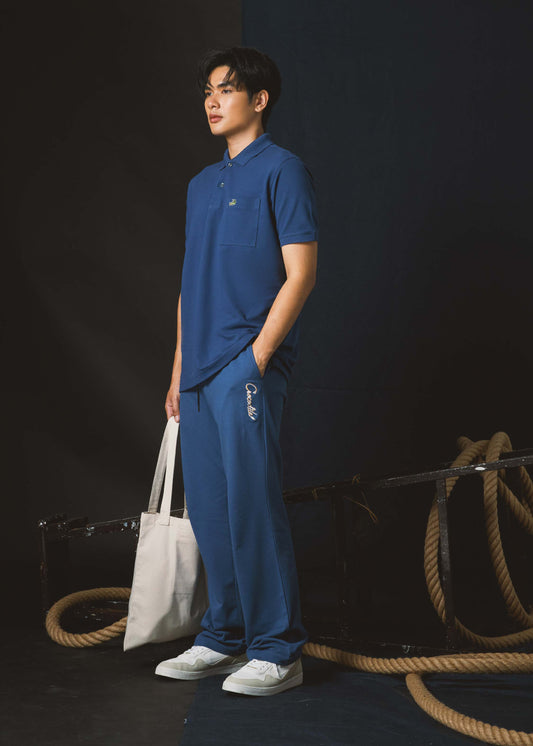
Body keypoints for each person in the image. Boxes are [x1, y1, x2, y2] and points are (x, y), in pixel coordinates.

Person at [155, 45, 318, 697]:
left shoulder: (283, 170)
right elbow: (188, 286)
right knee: (210, 510)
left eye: (226, 89)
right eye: (207, 92)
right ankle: (222, 636)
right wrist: (177, 371)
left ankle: (277, 649)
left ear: (260, 99)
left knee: (251, 502)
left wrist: (257, 357)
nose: (212, 101)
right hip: (196, 373)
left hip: (244, 365)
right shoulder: (200, 184)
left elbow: (301, 273)